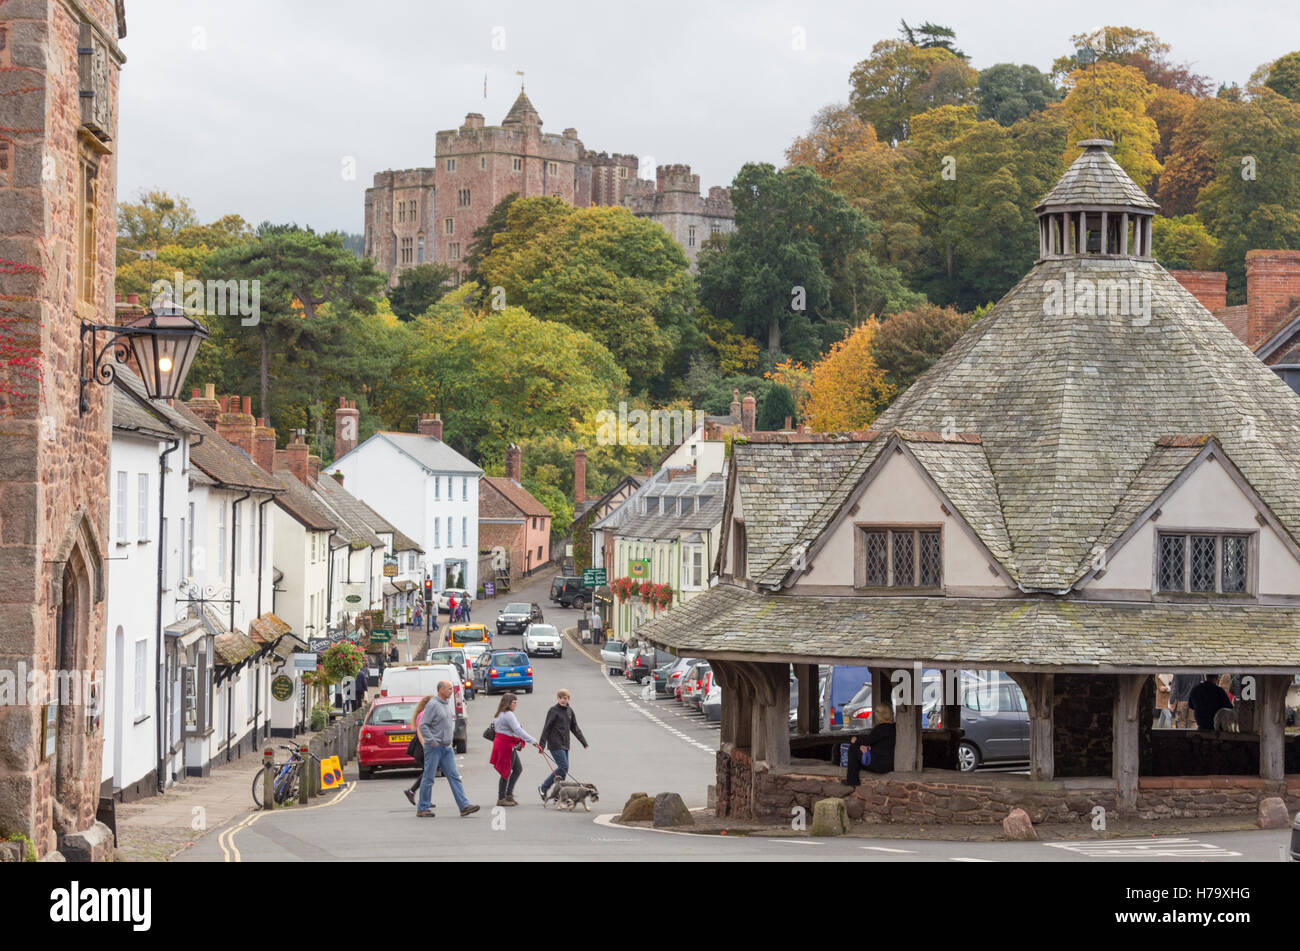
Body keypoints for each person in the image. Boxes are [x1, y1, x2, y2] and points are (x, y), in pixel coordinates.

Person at [415, 681, 480, 818]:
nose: (452, 691)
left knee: (454, 776)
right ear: (441, 690)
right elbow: (423, 725)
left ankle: (464, 806)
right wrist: (432, 741)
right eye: (449, 689)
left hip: (446, 747)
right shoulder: (433, 704)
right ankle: (423, 807)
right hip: (434, 748)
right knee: (429, 777)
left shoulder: (445, 704)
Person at [537, 689, 589, 801]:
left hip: (565, 744)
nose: (562, 700)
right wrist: (541, 744)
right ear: (558, 698)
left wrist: (583, 742)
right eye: (560, 698)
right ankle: (543, 787)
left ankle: (558, 795)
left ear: (568, 699)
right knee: (563, 767)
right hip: (555, 743)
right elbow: (547, 728)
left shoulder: (570, 711)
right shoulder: (553, 711)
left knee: (563, 769)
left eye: (565, 698)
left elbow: (575, 728)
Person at [489, 692, 539, 806]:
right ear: (508, 703)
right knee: (505, 771)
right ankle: (501, 798)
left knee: (517, 769)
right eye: (514, 703)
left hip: (503, 743)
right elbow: (518, 730)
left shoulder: (499, 713)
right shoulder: (508, 714)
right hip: (506, 745)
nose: (515, 705)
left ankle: (508, 794)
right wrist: (532, 741)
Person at [844, 705, 895, 786]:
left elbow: (867, 741)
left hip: (880, 765)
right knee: (861, 750)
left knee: (853, 749)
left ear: (879, 715)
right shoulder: (894, 728)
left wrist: (856, 740)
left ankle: (852, 782)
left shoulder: (880, 729)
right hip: (891, 764)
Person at [404, 695, 431, 806]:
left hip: (423, 748)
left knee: (428, 774)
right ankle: (411, 791)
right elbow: (420, 732)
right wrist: (426, 747)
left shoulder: (425, 714)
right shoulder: (423, 714)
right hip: (422, 749)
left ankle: (425, 800)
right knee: (427, 774)